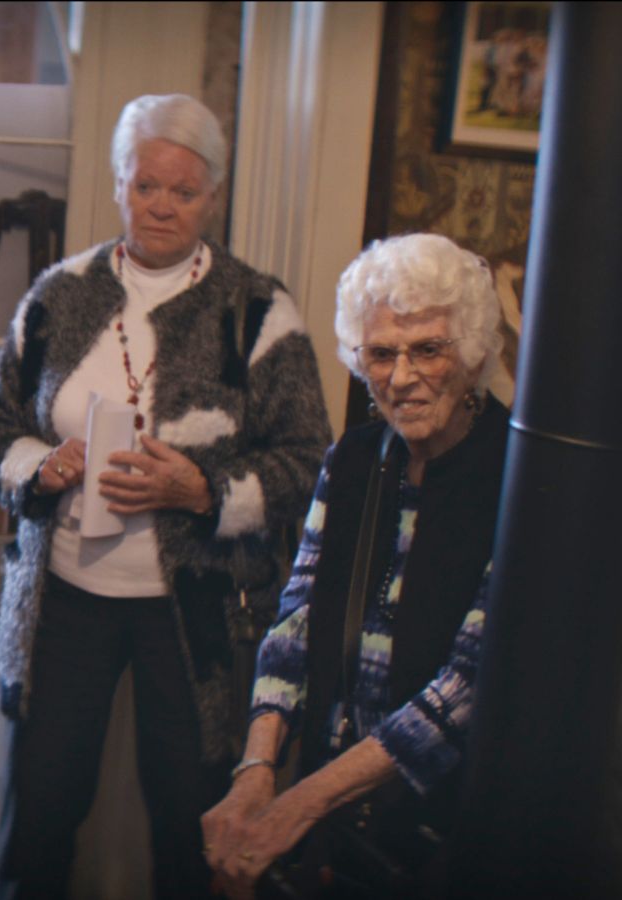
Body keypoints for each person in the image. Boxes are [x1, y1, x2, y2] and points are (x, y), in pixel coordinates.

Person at [0, 93, 330, 898]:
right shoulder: (61, 294)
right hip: (63, 603)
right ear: (120, 183)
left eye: (184, 191)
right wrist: (41, 464)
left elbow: (308, 461)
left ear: (214, 197)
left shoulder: (257, 309)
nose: (160, 205)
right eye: (144, 185)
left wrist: (205, 489)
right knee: (42, 818)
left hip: (195, 611)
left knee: (190, 820)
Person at [202, 233, 509, 899]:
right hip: (339, 821)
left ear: (475, 349)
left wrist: (296, 804)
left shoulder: (516, 479)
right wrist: (257, 765)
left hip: (442, 834)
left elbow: (465, 688)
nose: (401, 377)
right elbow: (297, 617)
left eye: (428, 348)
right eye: (381, 354)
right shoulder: (352, 460)